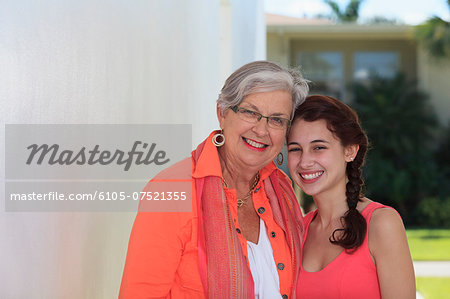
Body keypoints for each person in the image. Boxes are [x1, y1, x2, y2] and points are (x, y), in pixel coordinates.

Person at [119, 61, 309, 298]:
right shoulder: (171, 190)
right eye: (250, 112)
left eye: (276, 119)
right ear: (222, 113)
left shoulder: (281, 188)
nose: (262, 130)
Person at [287, 95, 416, 299]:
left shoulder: (381, 223)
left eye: (318, 147)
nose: (304, 162)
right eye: (295, 149)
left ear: (350, 151)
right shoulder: (296, 231)